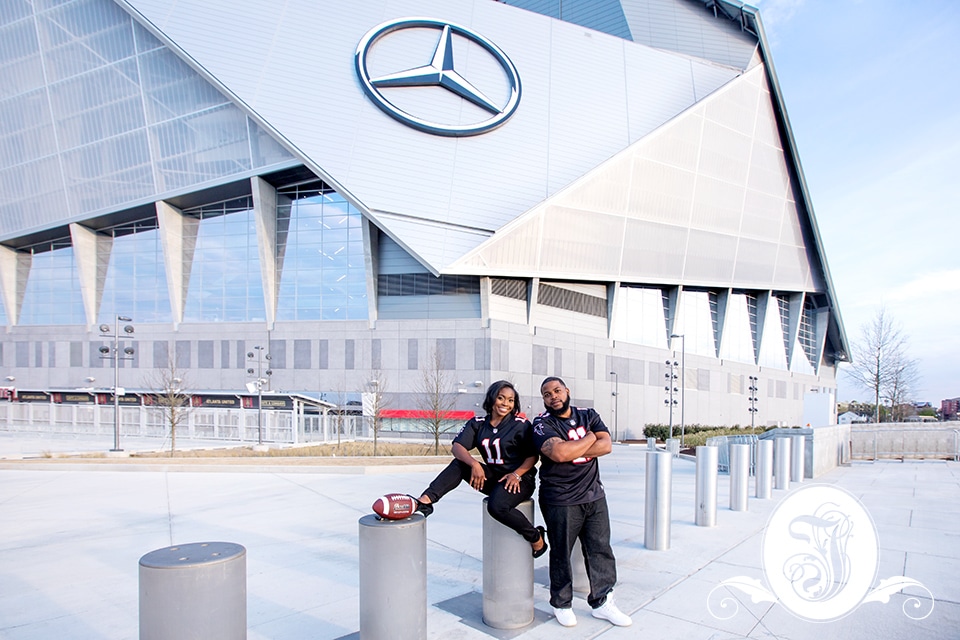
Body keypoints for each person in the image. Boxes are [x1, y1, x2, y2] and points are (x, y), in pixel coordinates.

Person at [531, 376, 632, 628]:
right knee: (562, 553)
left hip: (594, 494)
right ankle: (561, 603)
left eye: (556, 391)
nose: (553, 396)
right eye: (546, 394)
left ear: (567, 391)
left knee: (600, 549)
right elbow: (559, 453)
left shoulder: (588, 414)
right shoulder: (542, 423)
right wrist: (588, 439)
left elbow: (607, 446)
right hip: (560, 498)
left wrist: (574, 447)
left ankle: (602, 601)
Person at [412, 380, 547, 558]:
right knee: (460, 463)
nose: (505, 403)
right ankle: (426, 502)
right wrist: (475, 464)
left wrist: (516, 474)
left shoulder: (520, 424)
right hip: (493, 477)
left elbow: (532, 457)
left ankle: (536, 537)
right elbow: (457, 447)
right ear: (492, 398)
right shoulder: (478, 423)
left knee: (496, 506)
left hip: (519, 480)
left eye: (510, 400)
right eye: (501, 398)